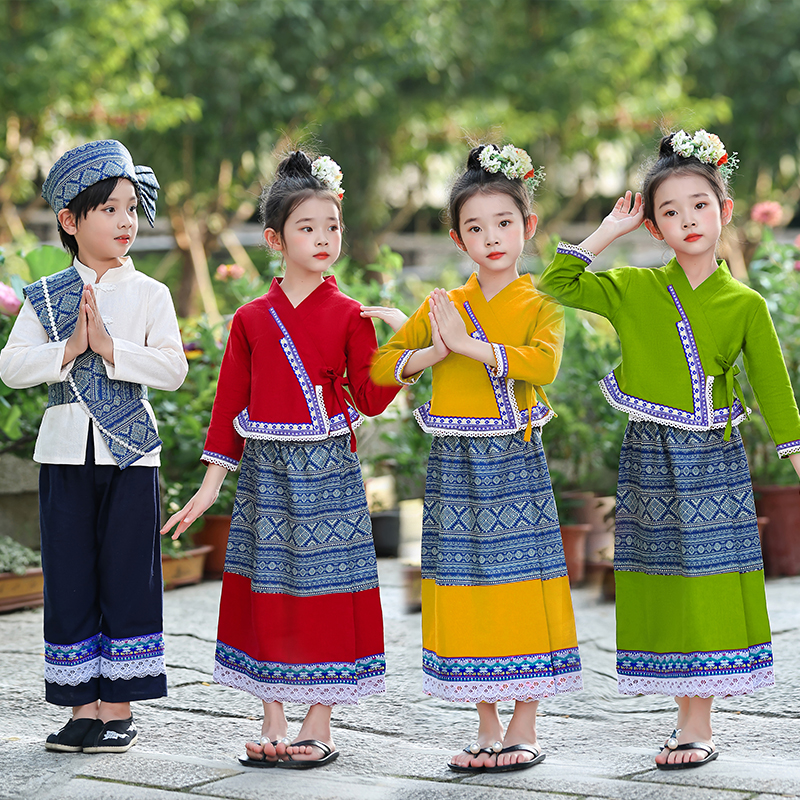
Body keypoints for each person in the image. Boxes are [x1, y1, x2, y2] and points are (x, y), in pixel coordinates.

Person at [538, 130, 800, 770]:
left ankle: (696, 723)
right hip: (651, 458)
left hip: (715, 459)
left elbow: (773, 387)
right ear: (653, 225)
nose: (688, 221)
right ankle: (682, 711)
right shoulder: (631, 287)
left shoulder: (745, 303)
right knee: (667, 581)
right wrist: (606, 233)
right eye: (670, 212)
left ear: (725, 211)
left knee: (710, 584)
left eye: (700, 206)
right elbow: (556, 284)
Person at [161, 151, 403, 769]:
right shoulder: (249, 319)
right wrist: (210, 487)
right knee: (267, 588)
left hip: (330, 475)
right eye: (308, 227)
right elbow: (229, 406)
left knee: (326, 591)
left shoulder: (351, 315)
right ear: (274, 239)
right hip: (265, 475)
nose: (324, 239)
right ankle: (271, 718)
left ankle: (318, 722)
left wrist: (409, 342)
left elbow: (371, 399)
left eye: (333, 227)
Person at [370, 144, 582, 774]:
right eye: (475, 227)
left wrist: (474, 348)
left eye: (504, 223)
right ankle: (485, 725)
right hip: (454, 467)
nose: (491, 237)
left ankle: (524, 725)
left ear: (529, 227)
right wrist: (436, 353)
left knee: (521, 587)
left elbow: (545, 364)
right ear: (457, 237)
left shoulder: (541, 300)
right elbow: (380, 370)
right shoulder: (442, 304)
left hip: (515, 461)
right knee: (462, 589)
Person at [0, 140, 188, 753]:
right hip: (63, 456)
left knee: (129, 575)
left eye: (132, 208)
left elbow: (173, 370)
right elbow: (11, 367)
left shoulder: (151, 294)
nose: (125, 221)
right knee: (71, 575)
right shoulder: (46, 295)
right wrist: (68, 351)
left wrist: (110, 350)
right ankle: (82, 707)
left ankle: (119, 707)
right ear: (70, 221)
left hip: (132, 457)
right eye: (108, 209)